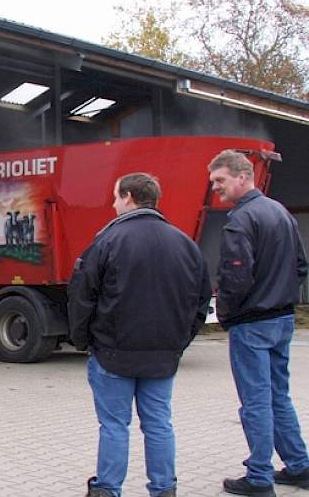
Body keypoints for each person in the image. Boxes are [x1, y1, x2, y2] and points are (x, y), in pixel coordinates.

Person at [68, 173, 211, 497]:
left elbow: (82, 296)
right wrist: (179, 341)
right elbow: (200, 300)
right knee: (159, 424)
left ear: (130, 197)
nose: (112, 203)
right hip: (163, 355)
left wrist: (82, 340)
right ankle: (164, 490)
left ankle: (107, 490)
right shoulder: (184, 243)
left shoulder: (106, 240)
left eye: (116, 196)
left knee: (115, 426)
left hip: (112, 353)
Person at [208, 150, 309, 497]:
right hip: (282, 319)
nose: (215, 188)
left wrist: (227, 312)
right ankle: (299, 466)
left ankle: (259, 477)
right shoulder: (280, 213)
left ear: (241, 176)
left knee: (255, 401)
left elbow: (235, 275)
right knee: (278, 396)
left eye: (220, 181)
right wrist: (280, 294)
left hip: (252, 323)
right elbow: (300, 266)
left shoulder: (241, 219)